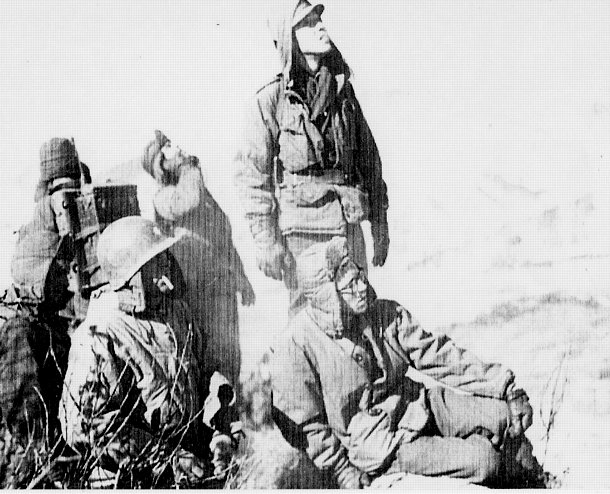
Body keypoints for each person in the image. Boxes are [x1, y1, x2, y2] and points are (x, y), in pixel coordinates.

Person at [270, 237, 543, 488]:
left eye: (360, 276)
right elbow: (307, 425)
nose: (362, 287)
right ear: (328, 297)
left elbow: (440, 356)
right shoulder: (296, 346)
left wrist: (505, 387)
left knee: (503, 416)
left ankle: (540, 484)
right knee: (483, 461)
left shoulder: (384, 313)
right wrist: (342, 470)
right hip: (383, 444)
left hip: (417, 404)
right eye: (350, 286)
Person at [235, 0, 390, 314]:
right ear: (289, 37)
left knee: (359, 313)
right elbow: (252, 177)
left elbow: (369, 160)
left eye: (319, 19)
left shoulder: (343, 93)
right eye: (307, 22)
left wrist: (379, 221)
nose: (320, 26)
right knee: (307, 322)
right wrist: (266, 241)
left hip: (348, 226)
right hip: (302, 238)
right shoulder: (271, 101)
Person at [59, 216, 209, 487]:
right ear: (131, 274)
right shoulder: (98, 335)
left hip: (188, 472)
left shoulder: (176, 313)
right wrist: (167, 458)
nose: (166, 265)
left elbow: (207, 371)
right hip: (129, 481)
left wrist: (222, 430)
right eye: (155, 260)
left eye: (164, 256)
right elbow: (86, 425)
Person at [140, 130, 255, 390]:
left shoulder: (201, 195)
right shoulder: (164, 197)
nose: (178, 148)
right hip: (196, 295)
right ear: (161, 164)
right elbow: (189, 201)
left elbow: (223, 236)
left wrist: (242, 278)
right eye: (169, 148)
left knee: (230, 361)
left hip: (221, 291)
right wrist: (189, 166)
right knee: (206, 365)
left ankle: (228, 412)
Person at [0, 137, 87, 435]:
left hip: (79, 334)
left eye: (73, 186)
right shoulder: (39, 225)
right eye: (61, 188)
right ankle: (35, 447)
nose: (68, 196)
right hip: (53, 334)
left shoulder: (93, 216)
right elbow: (34, 281)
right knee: (18, 336)